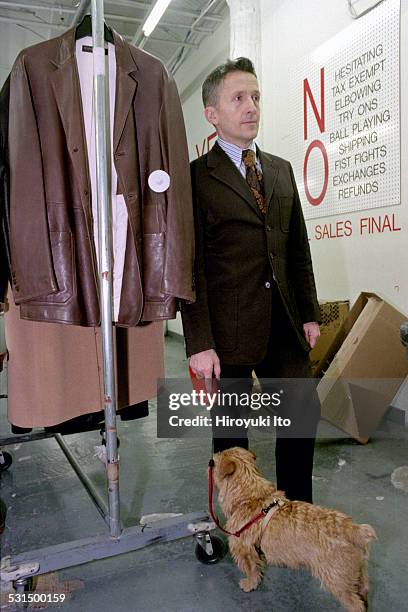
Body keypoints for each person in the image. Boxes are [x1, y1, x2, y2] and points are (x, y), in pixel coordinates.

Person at [181, 57, 321, 503]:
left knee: (301, 413)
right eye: (238, 98)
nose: (251, 106)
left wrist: (309, 314)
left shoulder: (279, 170)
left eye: (256, 96)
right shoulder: (196, 178)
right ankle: (240, 522)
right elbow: (190, 266)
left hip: (283, 321)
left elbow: (297, 247)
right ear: (212, 114)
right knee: (232, 435)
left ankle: (295, 513)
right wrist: (199, 342)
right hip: (228, 331)